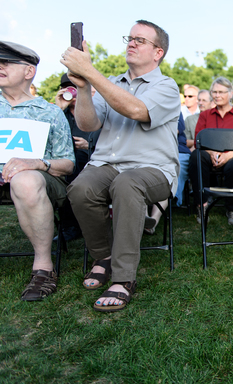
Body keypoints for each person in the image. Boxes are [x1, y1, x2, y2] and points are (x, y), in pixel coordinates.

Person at [61, 20, 180, 312]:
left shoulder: (166, 86)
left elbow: (136, 110)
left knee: (127, 183)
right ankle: (103, 257)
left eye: (141, 40)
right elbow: (88, 124)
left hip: (153, 169)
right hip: (108, 164)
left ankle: (124, 277)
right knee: (81, 188)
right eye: (130, 38)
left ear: (158, 53)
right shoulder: (111, 83)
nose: (132, 43)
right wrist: (84, 88)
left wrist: (90, 71)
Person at [0, 41, 75, 301]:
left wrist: (38, 163)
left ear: (29, 71)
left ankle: (43, 267)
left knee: (26, 179)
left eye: (7, 62)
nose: (0, 66)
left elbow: (67, 164)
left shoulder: (50, 113)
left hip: (39, 180)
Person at [189, 76, 233, 225]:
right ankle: (202, 205)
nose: (217, 95)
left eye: (221, 92)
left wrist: (227, 156)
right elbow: (198, 140)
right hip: (209, 153)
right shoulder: (205, 115)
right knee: (196, 156)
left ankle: (232, 208)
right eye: (214, 92)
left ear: (230, 93)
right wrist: (212, 152)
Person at [53, 73, 101, 241]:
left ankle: (76, 225)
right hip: (63, 166)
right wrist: (58, 109)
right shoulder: (57, 114)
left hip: (92, 162)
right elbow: (42, 140)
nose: (72, 91)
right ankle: (70, 226)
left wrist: (89, 145)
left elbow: (112, 143)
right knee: (66, 168)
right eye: (67, 88)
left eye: (76, 87)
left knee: (75, 165)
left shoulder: (97, 112)